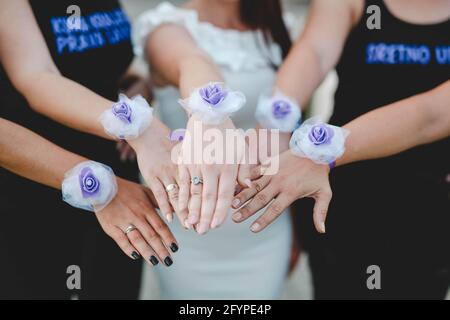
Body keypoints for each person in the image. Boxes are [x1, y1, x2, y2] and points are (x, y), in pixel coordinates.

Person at [234, 0, 450, 299]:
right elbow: (315, 53)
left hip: (428, 204)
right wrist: (274, 121)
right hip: (343, 195)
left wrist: (323, 152)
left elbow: (430, 115)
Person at [0, 0, 179, 299]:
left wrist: (134, 91)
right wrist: (136, 128)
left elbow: (97, 66)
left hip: (124, 191)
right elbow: (36, 76)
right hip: (37, 190)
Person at [134, 0, 294, 299]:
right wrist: (211, 114)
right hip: (193, 229)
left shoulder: (278, 28)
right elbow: (191, 61)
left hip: (263, 230)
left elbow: (287, 126)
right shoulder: (166, 27)